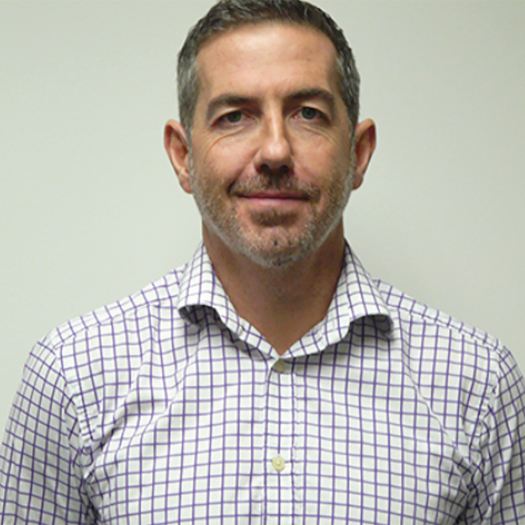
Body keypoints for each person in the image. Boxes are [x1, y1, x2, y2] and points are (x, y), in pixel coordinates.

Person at [1, 0, 524, 523]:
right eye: (235, 116)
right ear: (183, 156)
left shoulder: (478, 388)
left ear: (358, 152)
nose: (275, 151)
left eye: (308, 114)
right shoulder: (73, 379)